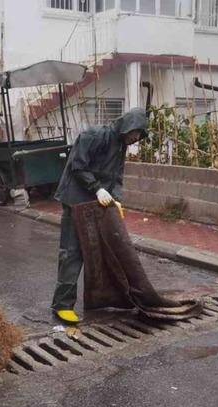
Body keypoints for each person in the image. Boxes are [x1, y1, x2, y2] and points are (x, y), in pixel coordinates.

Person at [51, 108, 149, 323]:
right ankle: (62, 304)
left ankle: (101, 298)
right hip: (75, 198)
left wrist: (116, 199)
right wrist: (97, 189)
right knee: (72, 251)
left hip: (95, 201)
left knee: (99, 250)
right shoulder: (94, 135)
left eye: (140, 136)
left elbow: (116, 175)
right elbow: (77, 166)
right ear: (127, 126)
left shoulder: (121, 144)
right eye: (136, 133)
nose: (136, 139)